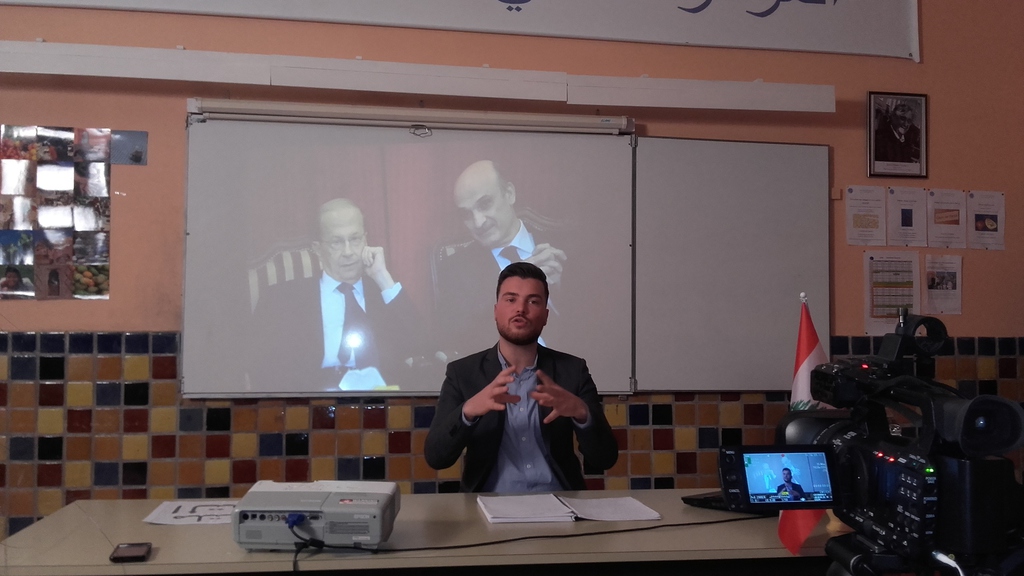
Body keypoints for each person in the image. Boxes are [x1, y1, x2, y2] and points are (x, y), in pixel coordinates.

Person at [424, 261, 617, 493]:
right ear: (496, 311)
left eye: (533, 301)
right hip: (487, 504)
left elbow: (605, 459)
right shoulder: (463, 373)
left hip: (559, 502)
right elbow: (436, 458)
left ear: (545, 315)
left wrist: (581, 413)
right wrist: (469, 411)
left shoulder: (572, 370)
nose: (521, 309)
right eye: (511, 299)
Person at [250, 198, 422, 391]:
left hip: (382, 400)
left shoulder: (384, 293)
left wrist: (383, 277)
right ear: (317, 249)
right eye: (337, 242)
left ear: (366, 240)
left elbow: (424, 347)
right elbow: (262, 369)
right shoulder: (282, 300)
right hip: (315, 401)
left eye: (355, 239)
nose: (348, 252)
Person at [434, 160, 568, 358]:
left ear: (510, 194)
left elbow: (597, 322)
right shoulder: (455, 270)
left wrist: (562, 287)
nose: (478, 222)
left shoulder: (565, 245)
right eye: (467, 214)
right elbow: (459, 341)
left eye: (485, 204)